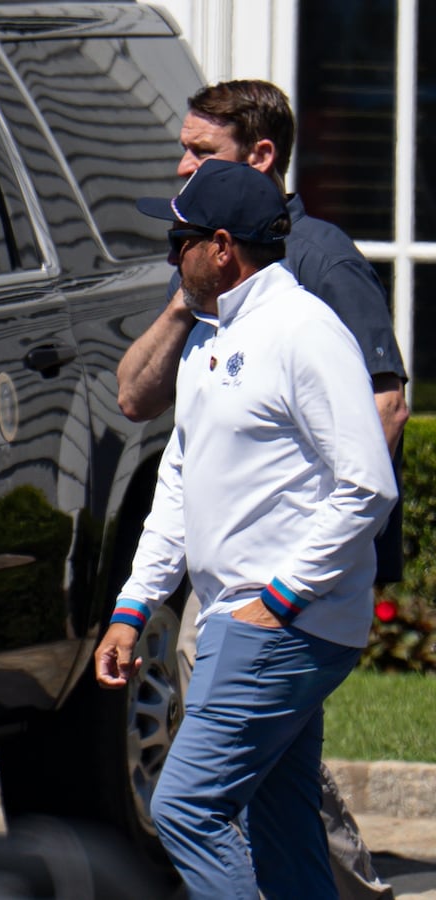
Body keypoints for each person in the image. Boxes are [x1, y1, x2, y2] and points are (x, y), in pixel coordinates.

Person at [114, 79, 403, 899]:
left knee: (186, 807)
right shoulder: (212, 335)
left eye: (178, 244)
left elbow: (366, 482)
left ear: (221, 247)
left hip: (277, 620)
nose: (169, 256)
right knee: (278, 822)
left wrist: (279, 596)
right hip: (250, 612)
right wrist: (135, 607)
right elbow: (181, 477)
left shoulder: (302, 328)